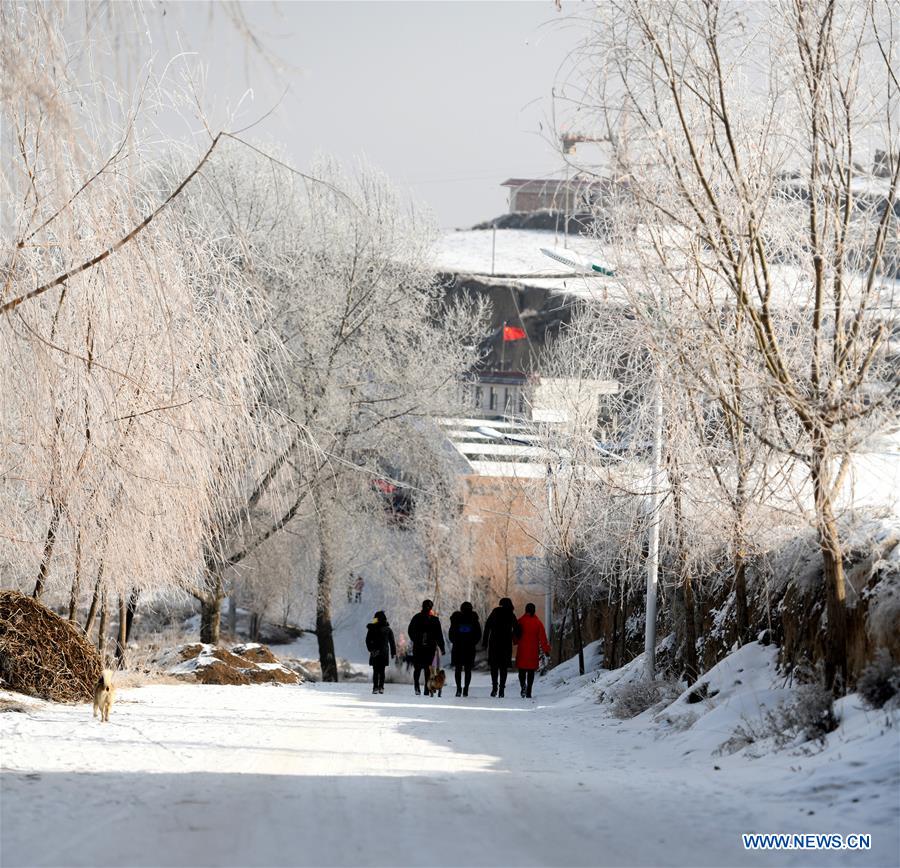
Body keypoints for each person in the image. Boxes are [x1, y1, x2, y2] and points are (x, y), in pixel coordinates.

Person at [482, 597, 520, 698]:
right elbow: (517, 628)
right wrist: (514, 636)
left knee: (494, 667)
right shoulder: (510, 614)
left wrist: (485, 642)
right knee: (503, 667)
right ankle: (502, 689)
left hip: (494, 642)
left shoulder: (495, 612)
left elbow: (487, 626)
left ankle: (495, 687)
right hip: (506, 643)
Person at [407, 599, 445, 696]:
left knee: (418, 668)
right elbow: (439, 635)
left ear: (422, 606)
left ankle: (416, 687)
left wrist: (415, 639)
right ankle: (426, 689)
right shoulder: (435, 620)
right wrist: (442, 647)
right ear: (431, 608)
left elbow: (410, 631)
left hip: (418, 647)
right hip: (430, 647)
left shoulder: (416, 617)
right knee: (428, 668)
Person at [516, 603, 550, 699]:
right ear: (534, 610)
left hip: (522, 650)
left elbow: (515, 635)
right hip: (533, 651)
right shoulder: (538, 623)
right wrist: (546, 650)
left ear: (525, 610)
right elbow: (543, 638)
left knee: (521, 671)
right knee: (531, 672)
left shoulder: (520, 621)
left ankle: (523, 686)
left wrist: (515, 641)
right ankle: (529, 691)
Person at [449, 602, 482, 697]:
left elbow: (451, 633)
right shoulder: (474, 619)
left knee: (458, 669)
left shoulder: (456, 619)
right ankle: (466, 689)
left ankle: (459, 688)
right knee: (468, 669)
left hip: (458, 647)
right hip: (469, 648)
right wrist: (472, 642)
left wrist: (455, 641)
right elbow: (478, 634)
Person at [365, 611, 396, 695]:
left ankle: (375, 687)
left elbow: (367, 640)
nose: (374, 619)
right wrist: (393, 652)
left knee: (375, 670)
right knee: (382, 671)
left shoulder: (371, 629)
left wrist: (371, 649)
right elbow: (392, 642)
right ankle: (381, 687)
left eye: (375, 618)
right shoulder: (388, 629)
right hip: (384, 652)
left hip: (375, 652)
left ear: (377, 619)